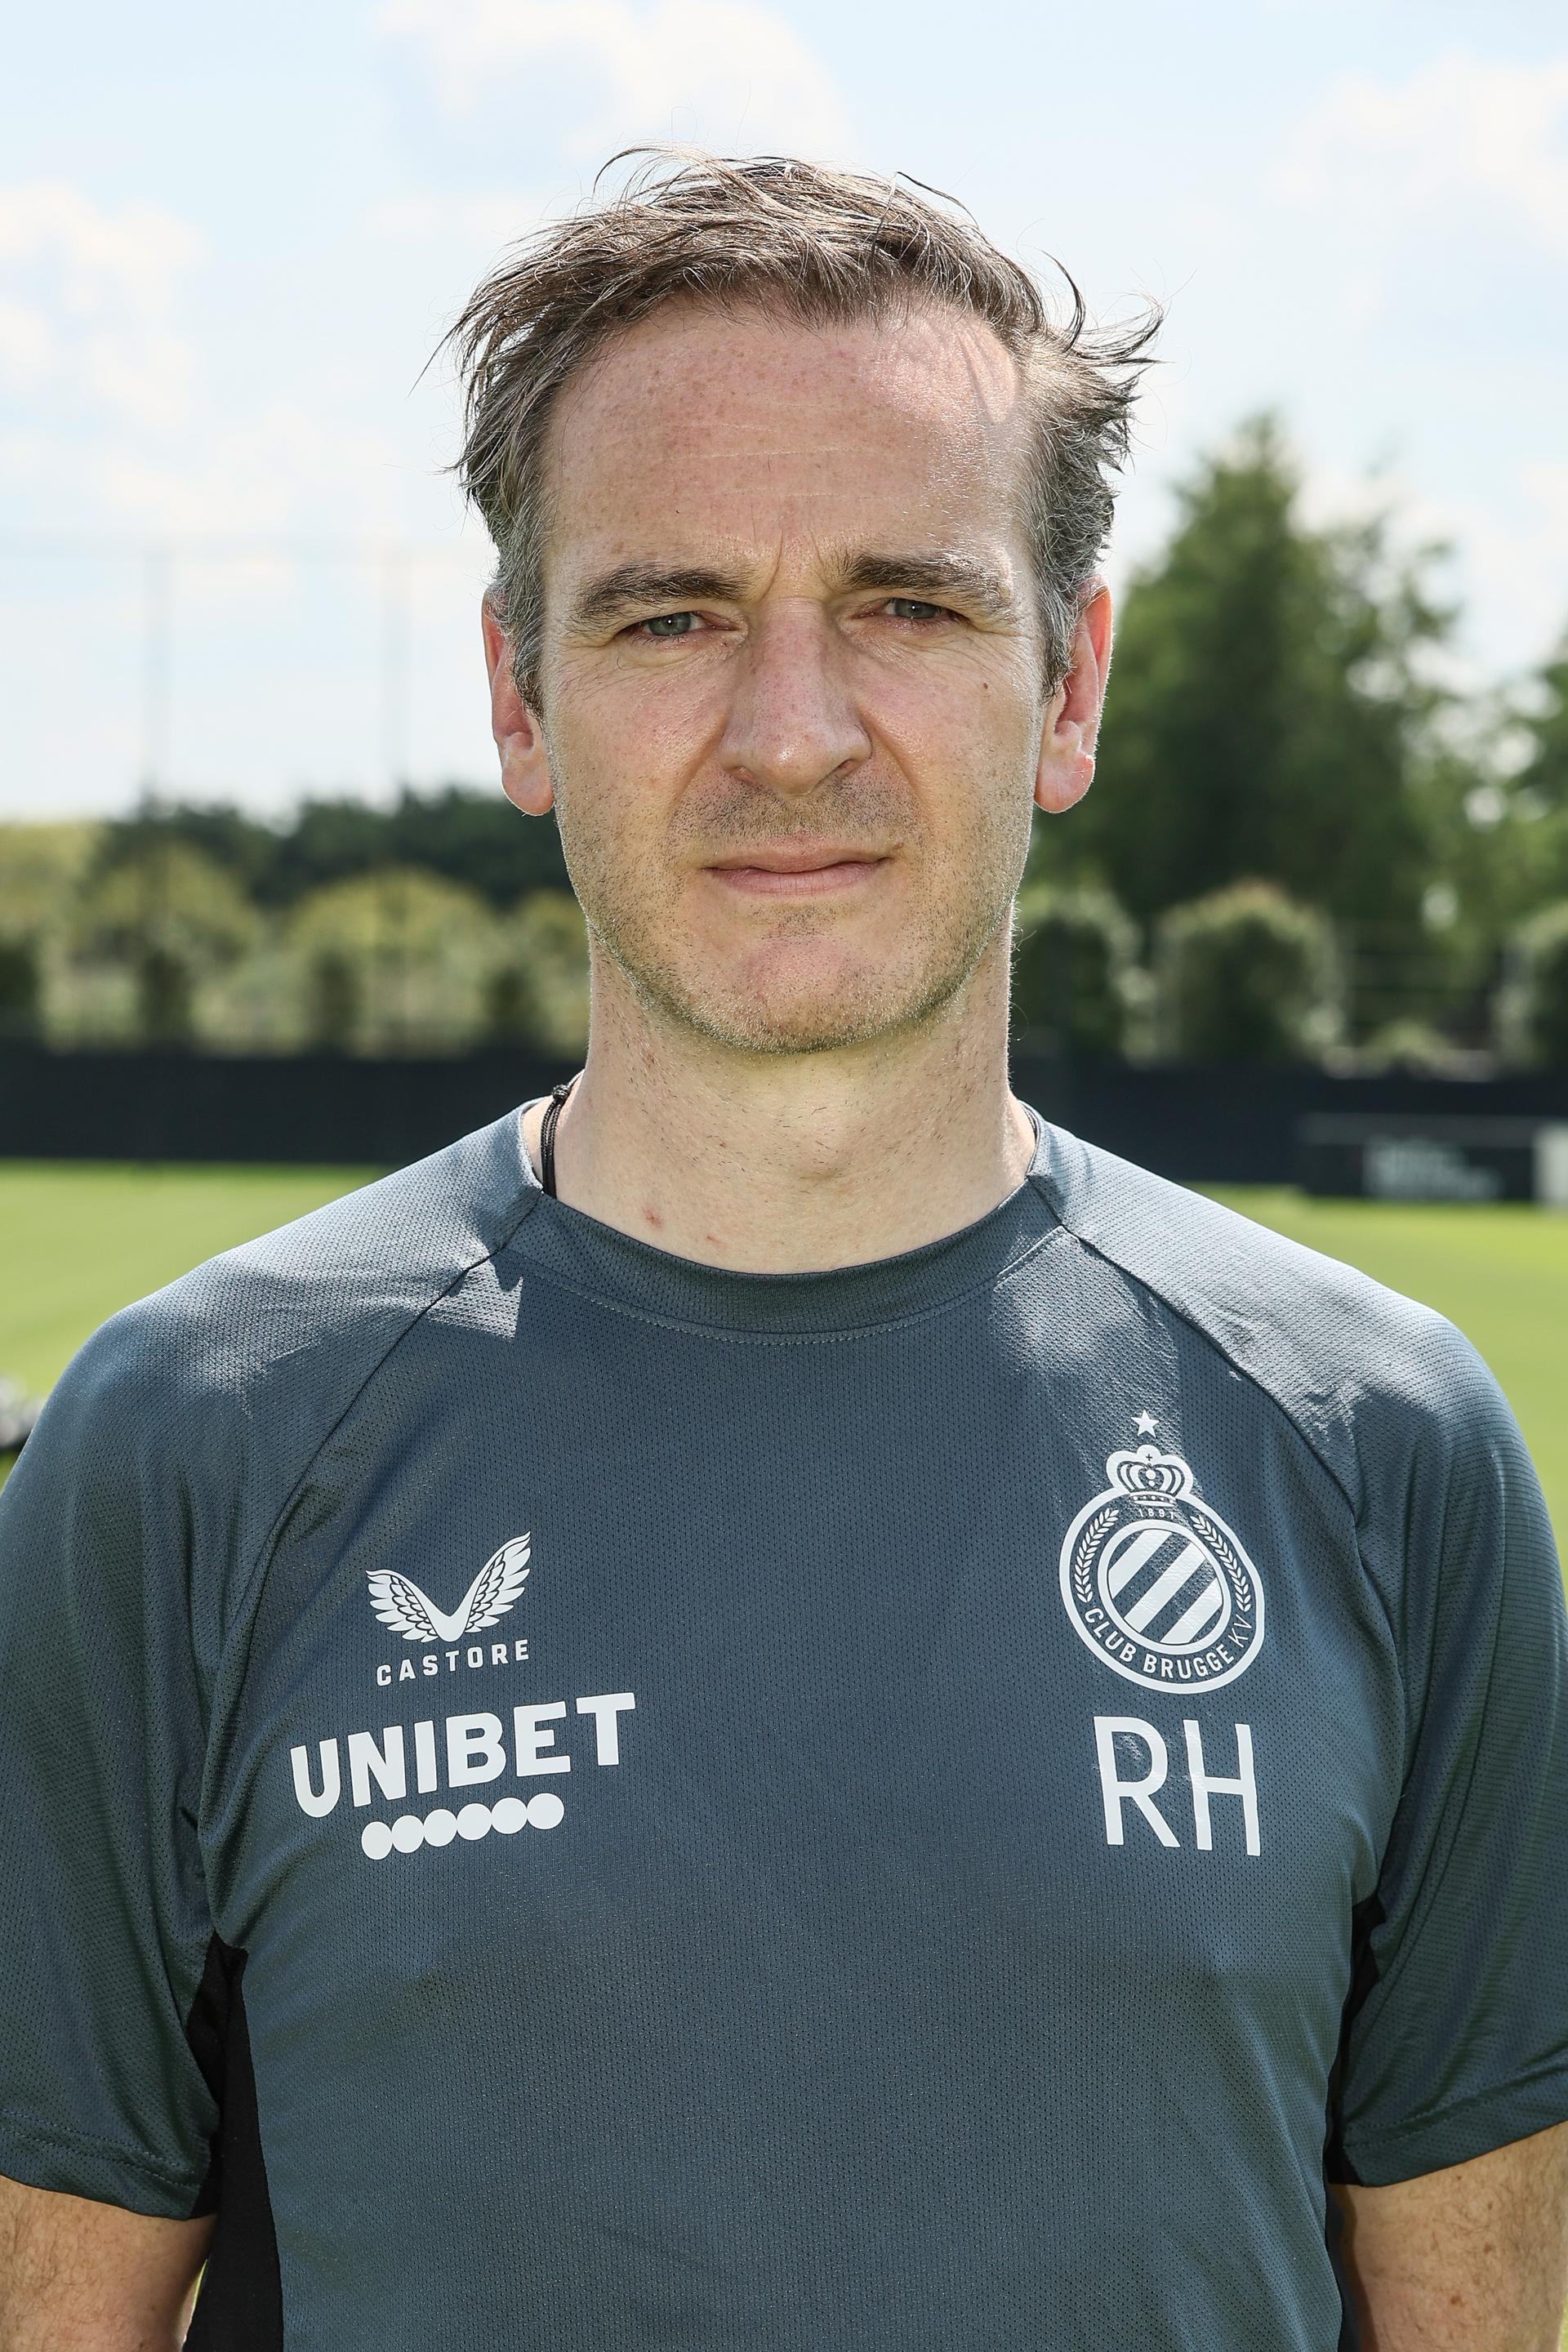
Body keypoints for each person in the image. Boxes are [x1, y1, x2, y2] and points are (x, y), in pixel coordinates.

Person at [1, 152, 1566, 2352]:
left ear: (1070, 683)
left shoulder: (1382, 1447)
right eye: (672, 612)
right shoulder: (189, 1451)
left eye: (912, 604)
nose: (792, 730)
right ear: (520, 699)